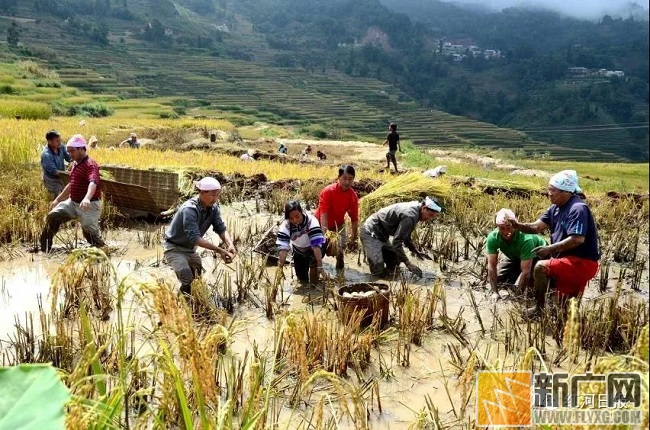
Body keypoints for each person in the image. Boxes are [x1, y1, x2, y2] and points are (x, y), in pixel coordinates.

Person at [506, 170, 599, 317]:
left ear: (566, 191)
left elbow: (577, 239)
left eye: (552, 190)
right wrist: (517, 225)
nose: (549, 193)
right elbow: (536, 227)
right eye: (549, 190)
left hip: (582, 263)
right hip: (565, 261)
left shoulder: (578, 208)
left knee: (540, 267)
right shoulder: (555, 208)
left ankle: (539, 308)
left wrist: (549, 249)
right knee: (566, 312)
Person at [163, 177, 237, 297]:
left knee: (197, 279)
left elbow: (220, 228)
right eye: (212, 195)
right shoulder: (189, 209)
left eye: (217, 195)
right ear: (202, 192)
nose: (215, 199)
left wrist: (230, 244)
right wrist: (219, 250)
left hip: (190, 250)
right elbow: (195, 238)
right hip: (174, 248)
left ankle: (194, 305)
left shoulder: (213, 209)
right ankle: (180, 307)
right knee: (187, 279)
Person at [40, 135, 105, 252]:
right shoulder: (75, 164)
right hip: (73, 202)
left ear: (82, 149)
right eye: (68, 151)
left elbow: (93, 182)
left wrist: (87, 198)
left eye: (72, 151)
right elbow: (71, 184)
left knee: (90, 233)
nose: (70, 154)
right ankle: (44, 249)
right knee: (53, 216)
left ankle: (102, 251)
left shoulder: (91, 165)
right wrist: (58, 200)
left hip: (89, 205)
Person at [360, 197, 441, 278]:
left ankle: (390, 277)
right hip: (370, 231)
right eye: (430, 215)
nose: (429, 219)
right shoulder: (411, 216)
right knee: (377, 271)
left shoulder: (417, 209)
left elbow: (405, 235)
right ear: (424, 208)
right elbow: (396, 242)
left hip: (382, 233)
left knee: (394, 260)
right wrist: (408, 263)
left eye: (433, 217)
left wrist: (414, 250)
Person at [485, 208, 547, 299]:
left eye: (509, 228)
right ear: (497, 227)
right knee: (499, 280)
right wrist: (495, 292)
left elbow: (526, 272)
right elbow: (491, 265)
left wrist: (518, 297)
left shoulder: (526, 239)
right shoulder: (493, 237)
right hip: (515, 257)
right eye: (502, 228)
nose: (506, 232)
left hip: (538, 257)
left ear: (514, 225)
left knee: (529, 286)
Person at [313, 165, 359, 270]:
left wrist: (353, 238)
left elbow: (354, 218)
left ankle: (340, 272)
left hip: (338, 224)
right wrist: (324, 235)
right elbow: (323, 215)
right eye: (344, 178)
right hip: (320, 222)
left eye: (350, 179)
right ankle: (315, 270)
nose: (347, 182)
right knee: (320, 248)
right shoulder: (328, 191)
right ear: (339, 177)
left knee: (340, 249)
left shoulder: (353, 196)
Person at [276, 200, 327, 284]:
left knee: (313, 276)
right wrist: (280, 267)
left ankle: (314, 283)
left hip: (313, 248)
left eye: (297, 216)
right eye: (291, 218)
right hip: (298, 249)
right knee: (301, 278)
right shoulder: (286, 225)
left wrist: (320, 266)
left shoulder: (311, 221)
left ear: (302, 212)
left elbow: (316, 246)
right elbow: (283, 248)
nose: (295, 220)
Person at [40, 130, 72, 199]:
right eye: (57, 141)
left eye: (60, 140)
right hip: (52, 179)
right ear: (49, 142)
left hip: (62, 176)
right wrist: (70, 174)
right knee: (57, 198)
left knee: (66, 195)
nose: (59, 142)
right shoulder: (46, 155)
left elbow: (69, 158)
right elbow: (55, 172)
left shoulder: (61, 147)